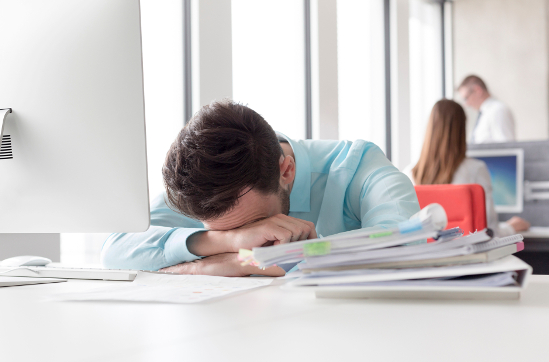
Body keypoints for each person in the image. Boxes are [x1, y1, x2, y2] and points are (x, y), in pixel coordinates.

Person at [101, 99, 421, 276]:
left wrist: (247, 260)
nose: (251, 241)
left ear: (287, 171)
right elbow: (115, 249)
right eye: (226, 232)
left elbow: (408, 246)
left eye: (253, 225)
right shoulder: (205, 182)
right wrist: (224, 241)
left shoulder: (361, 167)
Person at [405, 99, 529, 237]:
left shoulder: (408, 174)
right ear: (461, 130)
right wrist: (511, 227)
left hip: (422, 254)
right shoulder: (476, 169)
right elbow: (489, 231)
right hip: (464, 253)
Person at [457, 75, 516, 143]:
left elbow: (506, 146)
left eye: (466, 98)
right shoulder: (483, 113)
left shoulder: (498, 110)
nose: (466, 104)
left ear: (478, 90)